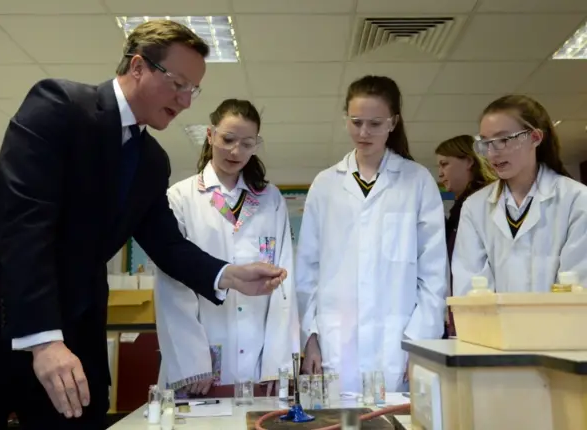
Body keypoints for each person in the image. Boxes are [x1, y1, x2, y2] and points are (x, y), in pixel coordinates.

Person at [0, 20, 286, 430]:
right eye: (178, 83)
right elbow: (25, 225)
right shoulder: (58, 107)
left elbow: (167, 245)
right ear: (139, 66)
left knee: (82, 417)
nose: (185, 101)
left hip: (74, 315)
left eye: (192, 90)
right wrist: (43, 339)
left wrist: (229, 275)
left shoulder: (150, 161)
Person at [296, 75, 447, 393]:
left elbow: (433, 275)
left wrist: (420, 344)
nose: (364, 132)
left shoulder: (417, 182)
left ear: (393, 123)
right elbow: (306, 269)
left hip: (398, 344)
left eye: (375, 123)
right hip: (335, 342)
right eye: (356, 121)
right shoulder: (325, 184)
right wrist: (310, 337)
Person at [154, 99, 299, 397]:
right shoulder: (181, 197)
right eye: (228, 140)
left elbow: (286, 281)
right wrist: (191, 361)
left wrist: (278, 361)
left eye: (247, 144)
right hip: (202, 360)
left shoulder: (270, 199)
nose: (236, 151)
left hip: (260, 359)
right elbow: (172, 282)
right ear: (210, 135)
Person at [452, 95, 587, 296]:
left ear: (535, 138)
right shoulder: (475, 207)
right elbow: (470, 287)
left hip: (560, 324)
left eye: (503, 140)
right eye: (486, 143)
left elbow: (577, 285)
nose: (492, 153)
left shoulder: (576, 200)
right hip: (493, 327)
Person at [435, 135, 496, 336]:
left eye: (445, 164)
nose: (440, 174)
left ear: (469, 161)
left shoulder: (486, 204)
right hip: (463, 308)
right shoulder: (458, 210)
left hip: (483, 310)